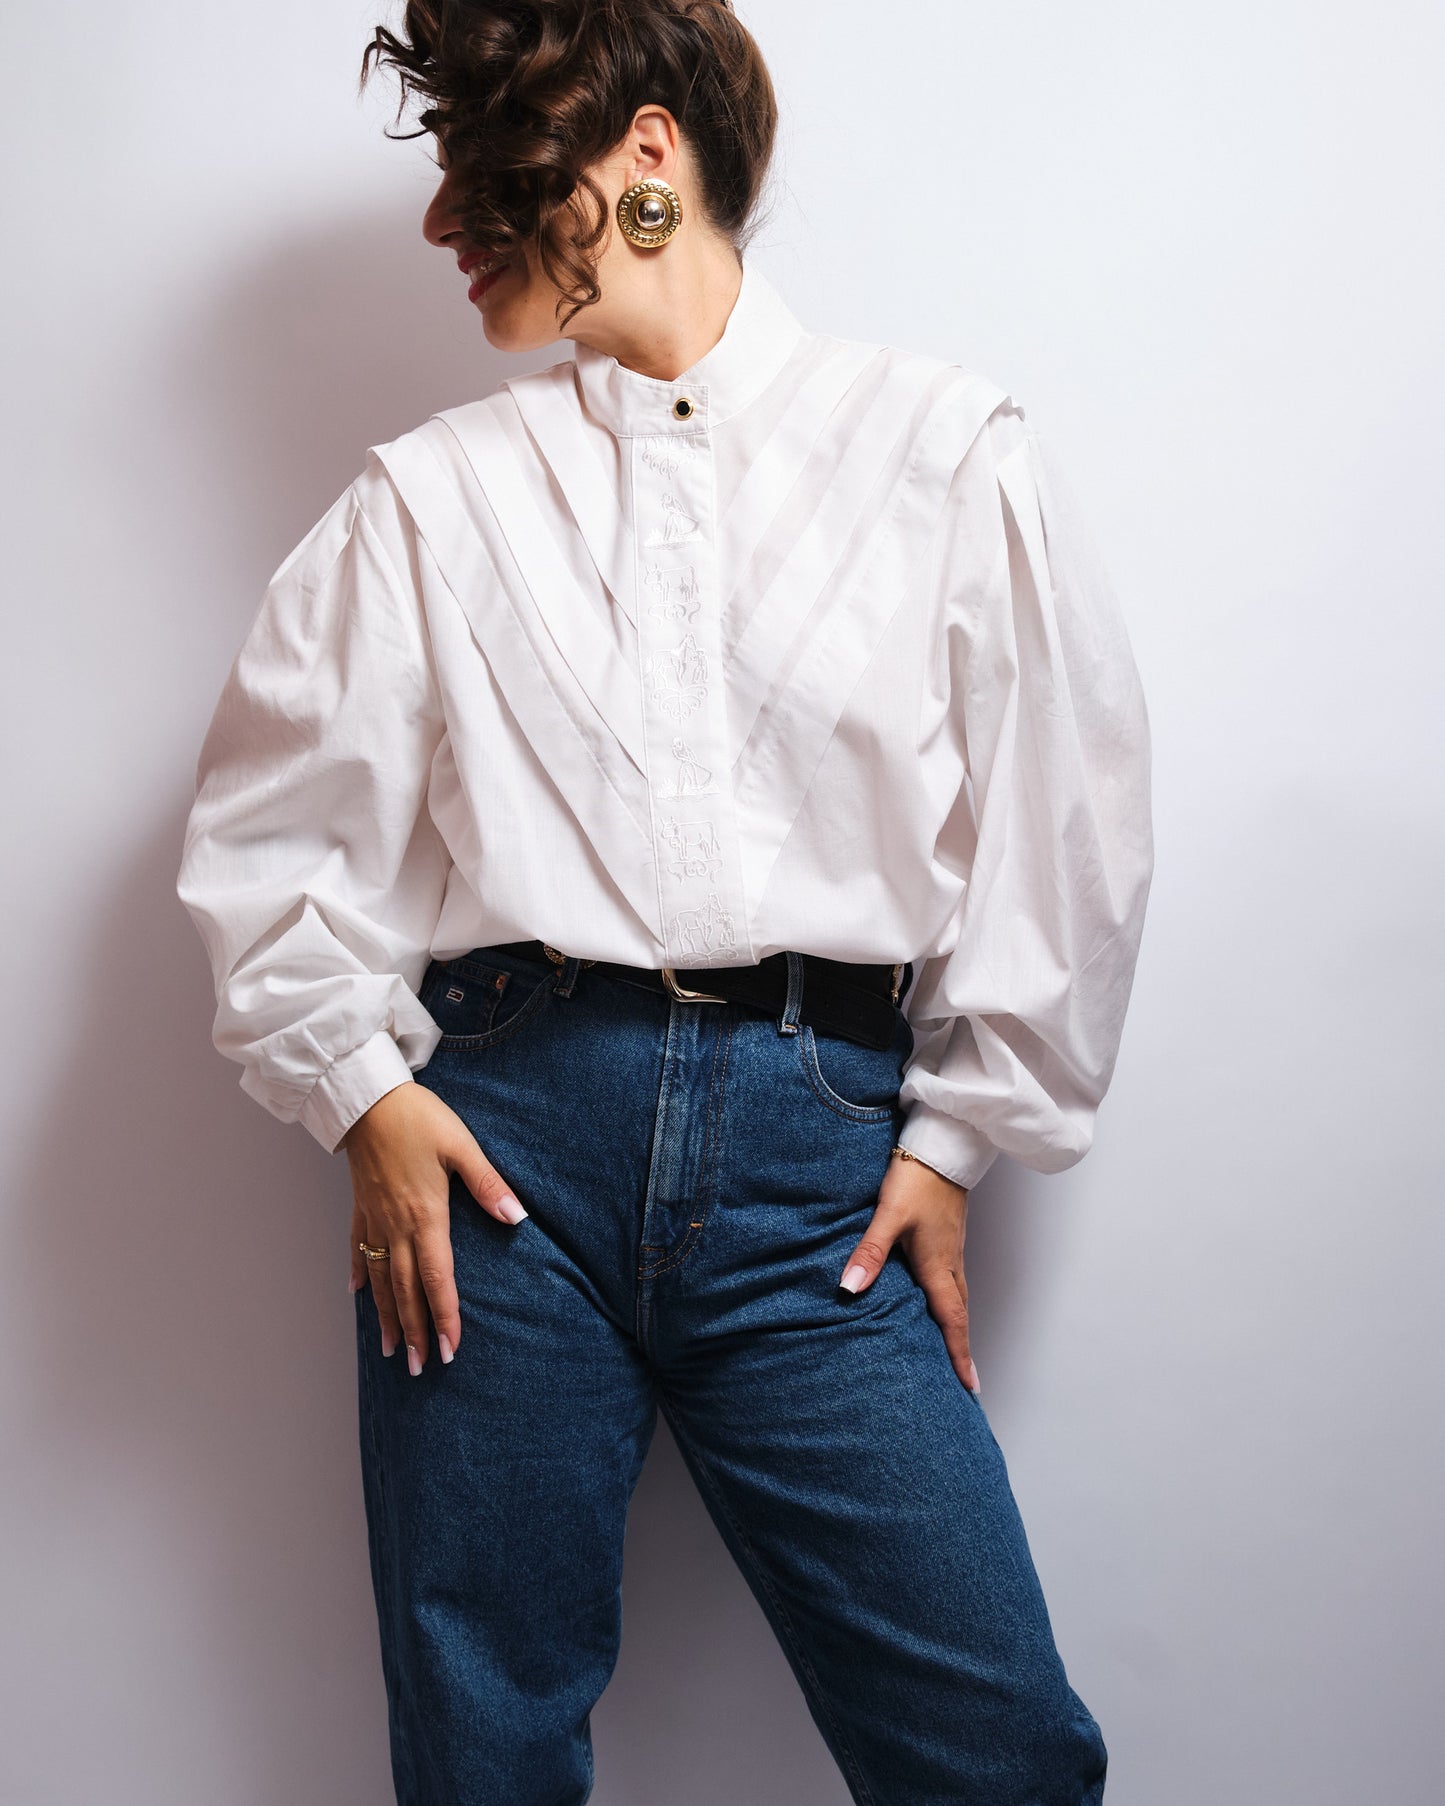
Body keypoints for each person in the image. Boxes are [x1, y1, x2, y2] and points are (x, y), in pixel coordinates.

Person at [175, 2, 1153, 1800]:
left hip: (817, 1170)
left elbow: (1065, 818)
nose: (440, 217)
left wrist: (956, 1139)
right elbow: (273, 836)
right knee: (483, 1750)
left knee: (996, 1751)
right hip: (497, 1162)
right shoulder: (428, 502)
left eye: (487, 161)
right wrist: (362, 1095)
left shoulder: (939, 453)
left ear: (644, 155)